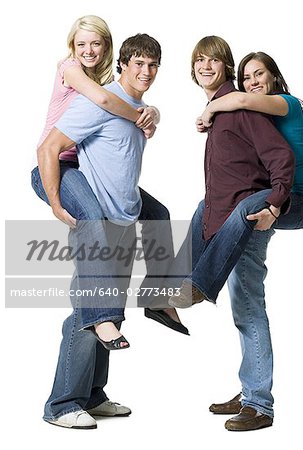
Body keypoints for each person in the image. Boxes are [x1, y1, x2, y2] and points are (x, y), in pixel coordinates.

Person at [34, 33, 185, 430]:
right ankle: (62, 404)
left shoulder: (139, 109)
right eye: (137, 64)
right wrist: (56, 201)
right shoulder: (99, 100)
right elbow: (50, 147)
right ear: (121, 65)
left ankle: (94, 395)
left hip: (121, 219)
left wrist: (151, 112)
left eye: (152, 65)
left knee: (108, 312)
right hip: (94, 218)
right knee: (90, 310)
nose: (146, 72)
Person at [199, 52, 303, 431]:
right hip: (263, 205)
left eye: (259, 74)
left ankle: (259, 403)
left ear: (273, 77)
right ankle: (252, 384)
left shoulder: (285, 103)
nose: (252, 82)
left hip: (298, 202)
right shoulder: (257, 116)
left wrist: (211, 110)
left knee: (249, 301)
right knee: (244, 295)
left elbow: (238, 99)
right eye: (247, 77)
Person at [168, 37, 295, 311]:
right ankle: (177, 283)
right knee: (247, 309)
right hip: (237, 209)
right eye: (199, 60)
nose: (205, 66)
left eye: (213, 59)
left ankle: (199, 285)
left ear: (226, 66)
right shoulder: (221, 111)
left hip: (263, 209)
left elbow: (281, 156)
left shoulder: (242, 107)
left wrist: (275, 204)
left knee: (248, 309)